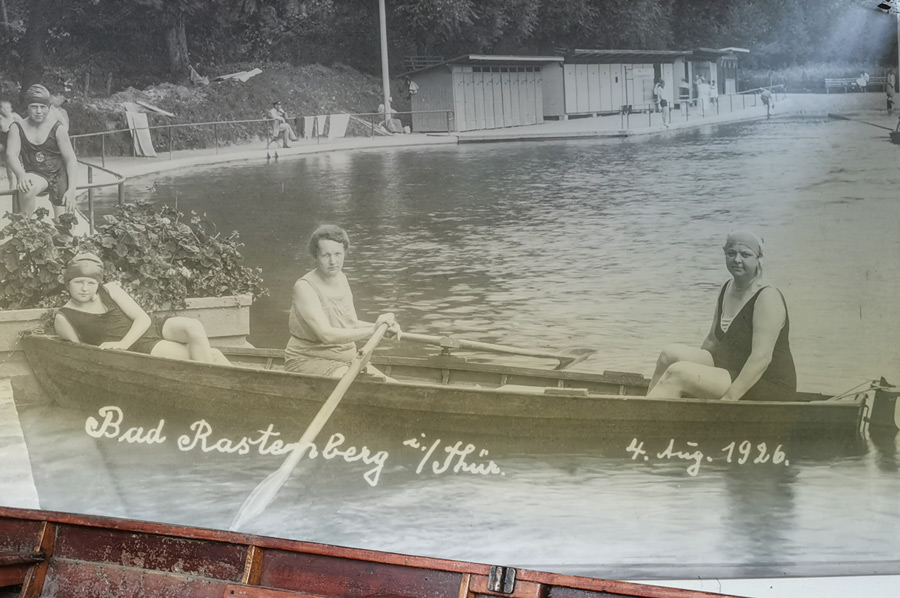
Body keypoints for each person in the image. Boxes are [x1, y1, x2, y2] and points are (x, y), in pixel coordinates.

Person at [646, 231, 796, 402]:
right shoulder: (727, 287)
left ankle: (643, 417)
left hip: (765, 383)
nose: (737, 260)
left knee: (678, 373)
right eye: (731, 253)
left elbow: (761, 359)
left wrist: (727, 400)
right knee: (668, 354)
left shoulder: (767, 296)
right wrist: (698, 378)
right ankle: (642, 408)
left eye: (745, 254)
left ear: (759, 258)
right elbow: (712, 341)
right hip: (731, 369)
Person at [54, 253, 231, 365]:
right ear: (68, 284)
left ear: (97, 283)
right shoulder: (65, 317)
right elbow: (79, 353)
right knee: (212, 355)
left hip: (151, 327)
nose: (85, 288)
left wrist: (122, 343)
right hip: (140, 346)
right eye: (79, 282)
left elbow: (143, 318)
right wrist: (122, 348)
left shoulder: (109, 290)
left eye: (91, 283)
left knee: (193, 326)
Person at [285, 224, 401, 378]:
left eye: (338, 254)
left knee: (392, 384)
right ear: (316, 256)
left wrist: (381, 328)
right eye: (326, 255)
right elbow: (326, 335)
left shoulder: (341, 278)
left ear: (344, 253)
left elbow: (350, 324)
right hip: (309, 359)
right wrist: (373, 331)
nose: (333, 261)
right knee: (363, 387)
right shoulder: (304, 287)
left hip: (349, 359)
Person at [5, 84, 78, 217]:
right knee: (26, 188)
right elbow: (11, 155)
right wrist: (21, 175)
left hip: (59, 175)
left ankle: (63, 224)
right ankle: (26, 225)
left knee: (65, 223)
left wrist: (72, 189)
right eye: (34, 107)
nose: (39, 111)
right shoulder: (17, 127)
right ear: (27, 107)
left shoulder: (57, 128)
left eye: (43, 107)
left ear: (48, 108)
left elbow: (71, 159)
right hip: (36, 173)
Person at [0, 99, 22, 188]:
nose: (6, 109)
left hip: (16, 140)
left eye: (8, 107)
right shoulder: (0, 119)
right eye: (4, 108)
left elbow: (24, 125)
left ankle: (20, 182)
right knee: (9, 164)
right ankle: (11, 184)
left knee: (18, 162)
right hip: (5, 142)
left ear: (11, 108)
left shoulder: (15, 116)